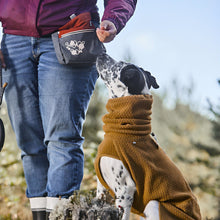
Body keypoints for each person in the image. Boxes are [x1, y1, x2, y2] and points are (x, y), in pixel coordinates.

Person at [0, 0, 137, 219]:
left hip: (71, 33)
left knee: (61, 140)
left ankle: (61, 215)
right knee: (29, 143)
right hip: (13, 40)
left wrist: (113, 18)